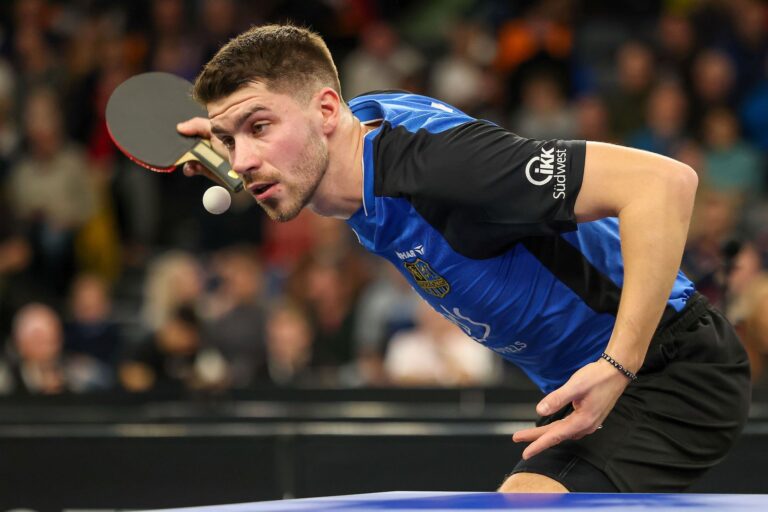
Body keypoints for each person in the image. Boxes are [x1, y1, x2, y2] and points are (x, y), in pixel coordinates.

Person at [176, 24, 750, 493]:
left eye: (259, 127)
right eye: (231, 140)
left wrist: (618, 366)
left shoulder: (449, 169)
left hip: (667, 369)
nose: (244, 158)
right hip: (585, 385)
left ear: (328, 110)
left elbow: (664, 183)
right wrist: (235, 147)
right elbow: (299, 151)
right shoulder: (351, 137)